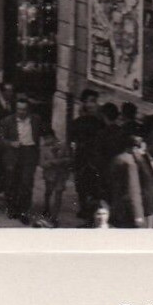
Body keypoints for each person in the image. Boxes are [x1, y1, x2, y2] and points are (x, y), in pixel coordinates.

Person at [0, 96, 44, 224]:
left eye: (24, 109)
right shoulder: (7, 121)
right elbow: (0, 139)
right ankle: (12, 208)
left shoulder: (36, 120)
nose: (21, 112)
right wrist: (11, 143)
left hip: (29, 153)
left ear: (28, 110)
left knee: (27, 183)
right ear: (15, 109)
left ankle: (24, 211)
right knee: (12, 183)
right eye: (19, 109)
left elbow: (44, 133)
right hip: (14, 154)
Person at [107, 132, 153, 228]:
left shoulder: (117, 158)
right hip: (129, 211)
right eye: (142, 149)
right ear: (135, 148)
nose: (143, 152)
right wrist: (138, 216)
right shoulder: (130, 164)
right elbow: (133, 190)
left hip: (117, 207)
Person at [68, 89, 105, 223]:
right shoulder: (78, 121)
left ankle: (90, 211)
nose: (91, 105)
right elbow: (72, 139)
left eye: (93, 101)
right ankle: (84, 208)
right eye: (88, 101)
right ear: (83, 103)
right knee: (81, 183)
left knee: (93, 184)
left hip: (94, 158)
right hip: (82, 156)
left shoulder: (100, 121)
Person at [39, 128, 73, 227]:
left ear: (52, 137)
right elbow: (41, 163)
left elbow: (70, 158)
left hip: (61, 174)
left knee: (58, 195)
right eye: (44, 139)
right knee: (48, 192)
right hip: (49, 174)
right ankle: (46, 208)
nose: (46, 141)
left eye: (47, 138)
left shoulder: (63, 145)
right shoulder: (43, 148)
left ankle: (54, 217)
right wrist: (50, 163)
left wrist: (61, 161)